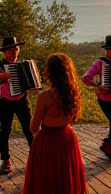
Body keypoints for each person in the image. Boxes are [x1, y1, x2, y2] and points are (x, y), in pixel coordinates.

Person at [22, 53, 86, 194]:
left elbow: (33, 128)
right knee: (66, 175)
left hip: (47, 142)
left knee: (47, 178)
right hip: (67, 138)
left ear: (49, 72)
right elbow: (74, 118)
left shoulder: (44, 96)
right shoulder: (74, 94)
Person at [0, 37, 34, 174]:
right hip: (4, 102)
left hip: (22, 101)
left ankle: (35, 157)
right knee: (5, 131)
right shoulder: (0, 65)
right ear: (4, 52)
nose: (14, 51)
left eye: (16, 49)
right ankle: (6, 159)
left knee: (29, 130)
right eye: (10, 49)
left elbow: (30, 83)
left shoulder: (23, 65)